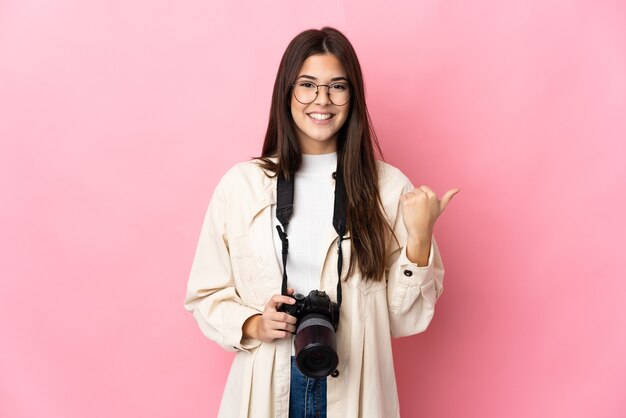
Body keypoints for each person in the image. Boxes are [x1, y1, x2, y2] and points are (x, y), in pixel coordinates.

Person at [184, 26, 458, 418]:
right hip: (269, 380)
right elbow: (204, 294)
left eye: (337, 86)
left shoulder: (389, 188)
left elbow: (402, 321)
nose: (322, 100)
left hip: (355, 383)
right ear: (287, 92)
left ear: (353, 97)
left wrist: (420, 238)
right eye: (308, 84)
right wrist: (253, 325)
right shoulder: (241, 186)